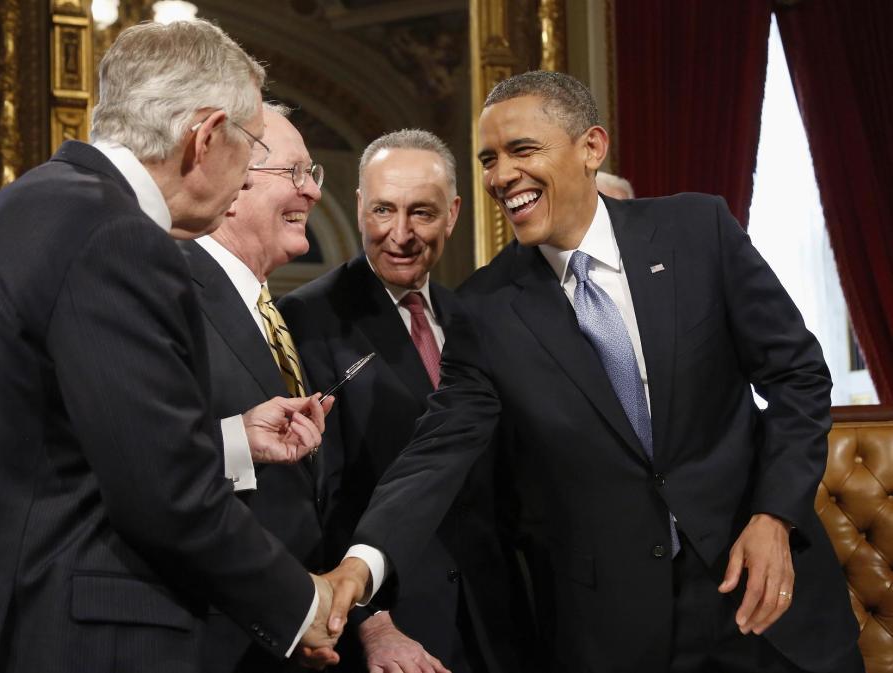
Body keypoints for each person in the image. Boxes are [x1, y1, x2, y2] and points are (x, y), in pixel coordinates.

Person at [324, 71, 863, 672]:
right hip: (618, 634)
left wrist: (775, 515)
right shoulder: (484, 308)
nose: (501, 176)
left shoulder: (696, 231)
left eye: (522, 150)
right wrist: (362, 561)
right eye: (489, 159)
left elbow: (799, 377)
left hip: (769, 598)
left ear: (591, 147)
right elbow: (438, 450)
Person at [0, 20, 340, 673]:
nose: (246, 173)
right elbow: (165, 494)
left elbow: (71, 447)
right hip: (80, 638)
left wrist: (230, 435)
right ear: (206, 136)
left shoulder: (22, 207)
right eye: (252, 143)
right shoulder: (114, 234)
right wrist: (302, 603)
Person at [280, 129, 525, 673]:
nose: (401, 234)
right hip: (388, 630)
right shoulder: (304, 322)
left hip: (493, 621)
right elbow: (313, 498)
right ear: (361, 206)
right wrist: (374, 624)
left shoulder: (476, 318)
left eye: (422, 213)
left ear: (454, 213)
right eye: (384, 210)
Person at [179, 103, 329, 673]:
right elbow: (144, 462)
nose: (311, 192)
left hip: (287, 641)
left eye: (313, 174)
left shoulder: (277, 312)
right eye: (294, 173)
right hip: (212, 640)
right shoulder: (170, 287)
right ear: (233, 185)